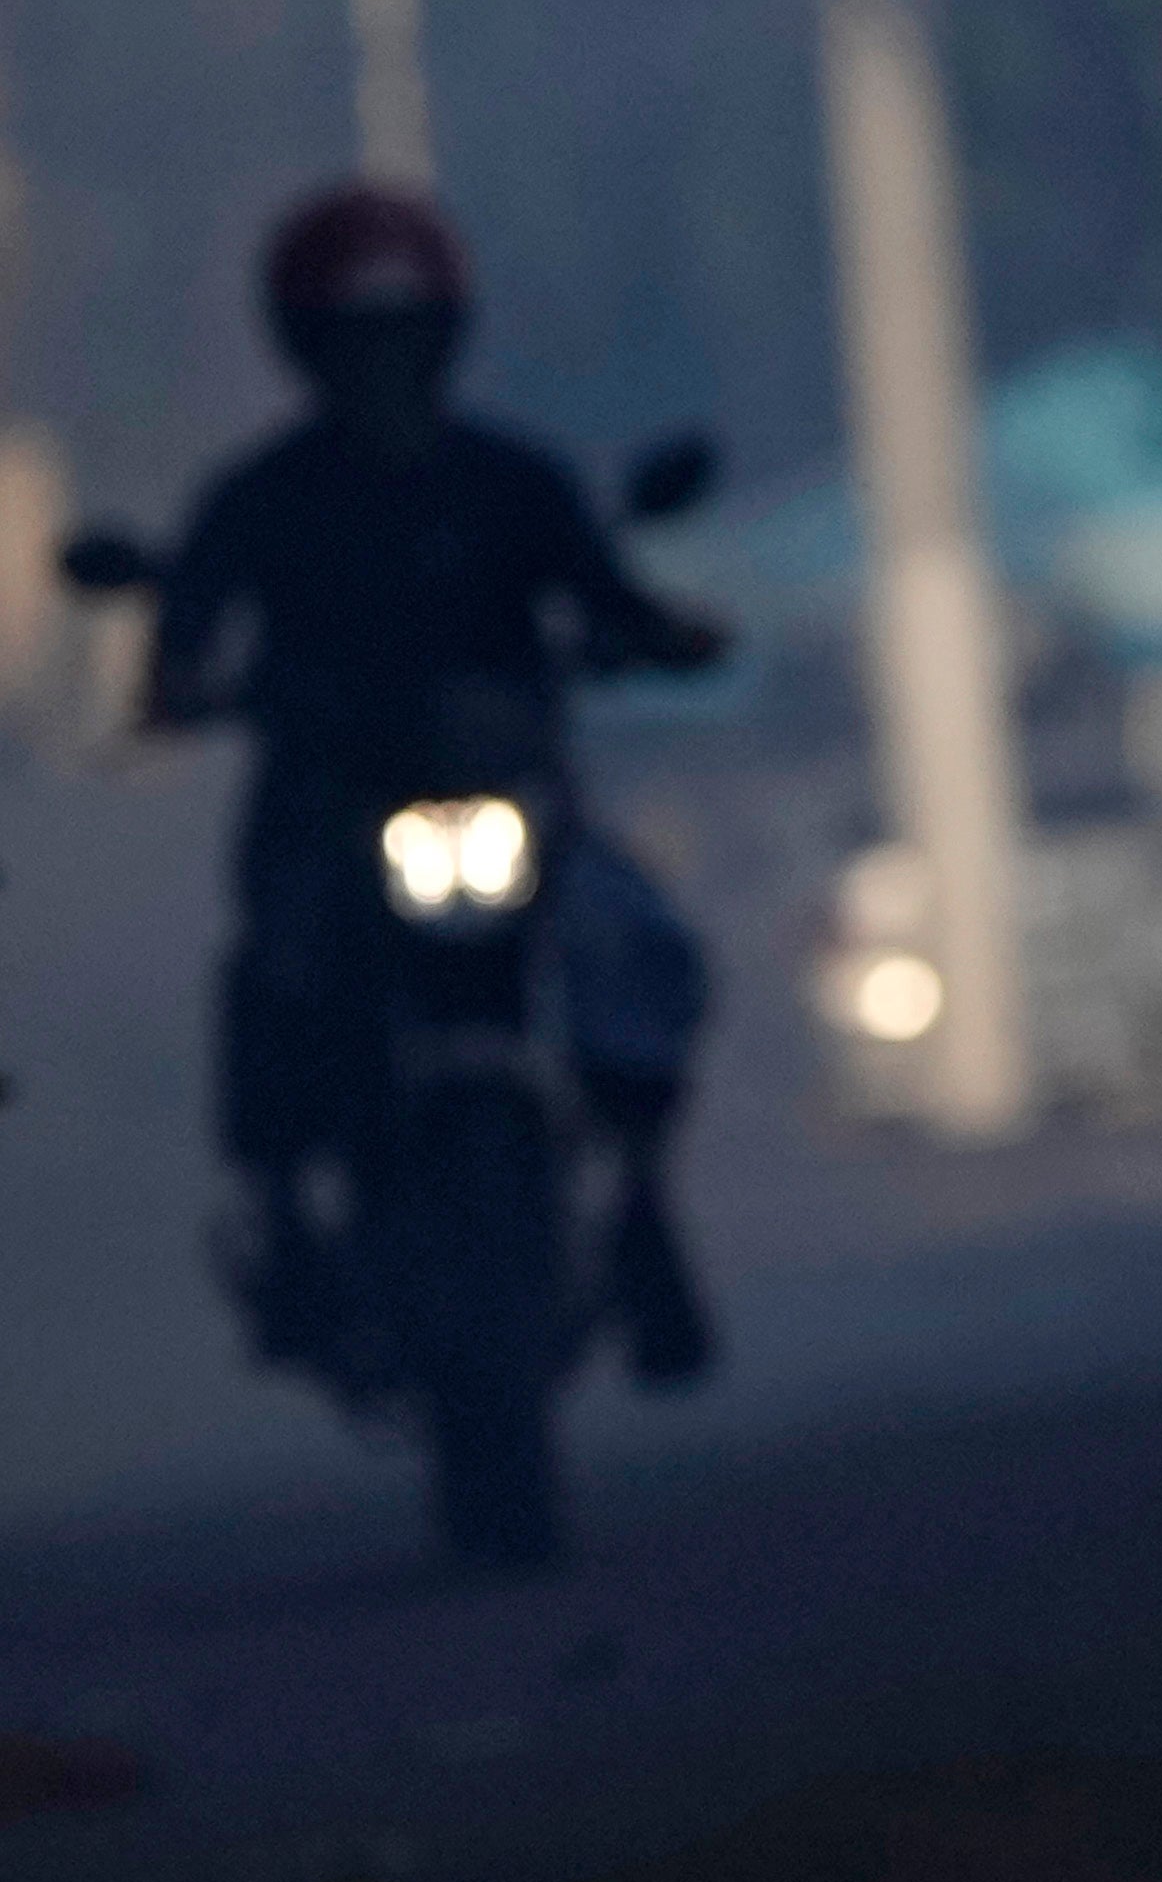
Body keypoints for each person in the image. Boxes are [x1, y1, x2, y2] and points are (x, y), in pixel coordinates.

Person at [127, 187, 729, 1357]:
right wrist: (177, 688)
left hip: (514, 801)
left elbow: (609, 598)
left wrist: (658, 635)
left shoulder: (515, 482)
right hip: (328, 812)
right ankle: (290, 1225)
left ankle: (646, 1211)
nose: (381, 371)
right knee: (273, 972)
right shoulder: (260, 499)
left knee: (635, 944)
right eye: (354, 345)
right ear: (306, 350)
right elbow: (183, 634)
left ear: (444, 337)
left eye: (402, 341)